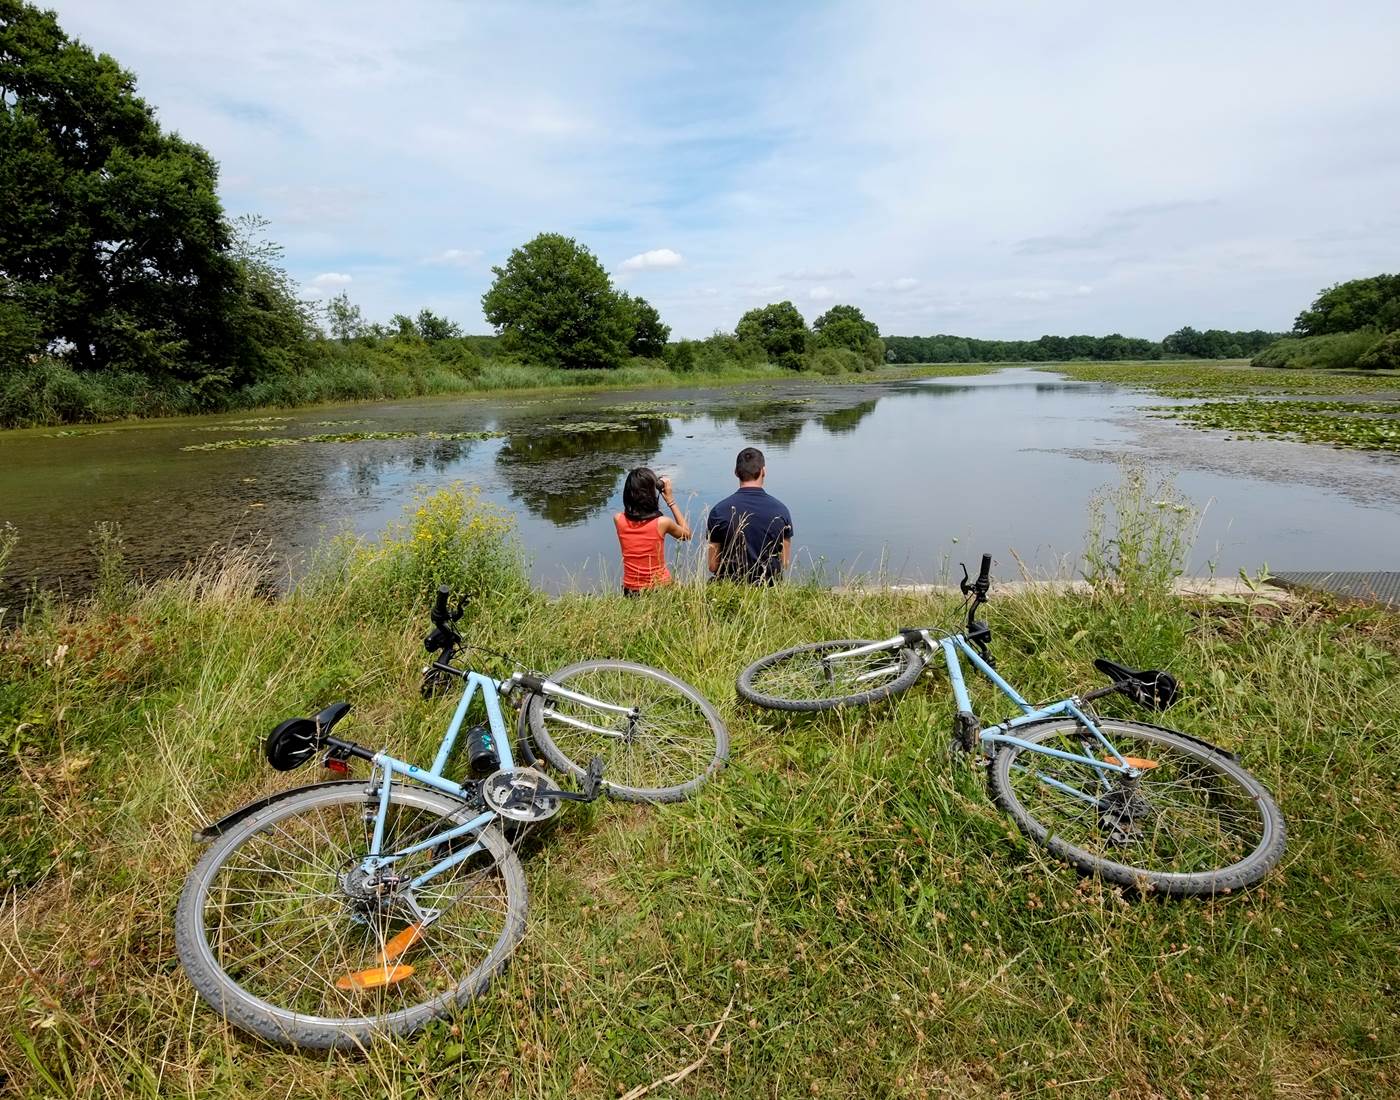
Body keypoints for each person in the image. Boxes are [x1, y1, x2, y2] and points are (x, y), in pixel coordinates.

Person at [706, 446, 793, 583]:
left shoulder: (719, 511)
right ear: (763, 471)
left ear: (736, 472)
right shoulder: (781, 510)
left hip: (729, 588)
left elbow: (712, 566)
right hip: (768, 588)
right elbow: (785, 562)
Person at [614, 467, 690, 595]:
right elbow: (686, 535)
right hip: (660, 588)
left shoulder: (618, 519)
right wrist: (670, 501)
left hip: (631, 590)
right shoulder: (662, 522)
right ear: (651, 493)